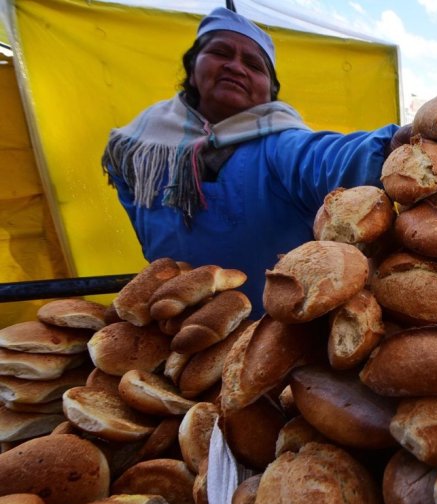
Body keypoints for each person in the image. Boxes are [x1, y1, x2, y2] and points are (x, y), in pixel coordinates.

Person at [102, 7, 409, 316]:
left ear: (270, 91)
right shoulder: (138, 150)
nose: (236, 67)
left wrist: (390, 147)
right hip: (176, 333)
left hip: (278, 336)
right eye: (220, 52)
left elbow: (327, 157)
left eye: (253, 64)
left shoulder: (279, 144)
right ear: (192, 68)